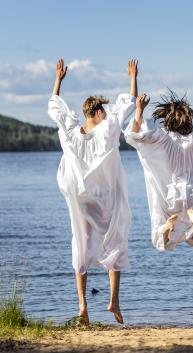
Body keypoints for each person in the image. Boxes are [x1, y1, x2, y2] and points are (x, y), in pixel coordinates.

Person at [48, 58, 138, 325]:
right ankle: (114, 301)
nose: (106, 116)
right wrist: (133, 77)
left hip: (79, 198)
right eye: (104, 112)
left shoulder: (69, 132)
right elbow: (129, 104)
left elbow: (55, 106)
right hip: (103, 198)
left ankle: (82, 305)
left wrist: (59, 80)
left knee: (81, 244)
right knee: (115, 239)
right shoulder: (106, 130)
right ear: (97, 113)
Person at [125, 83, 193, 251]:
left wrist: (139, 110)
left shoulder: (162, 137)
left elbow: (135, 136)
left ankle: (167, 227)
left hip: (169, 198)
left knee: (161, 242)